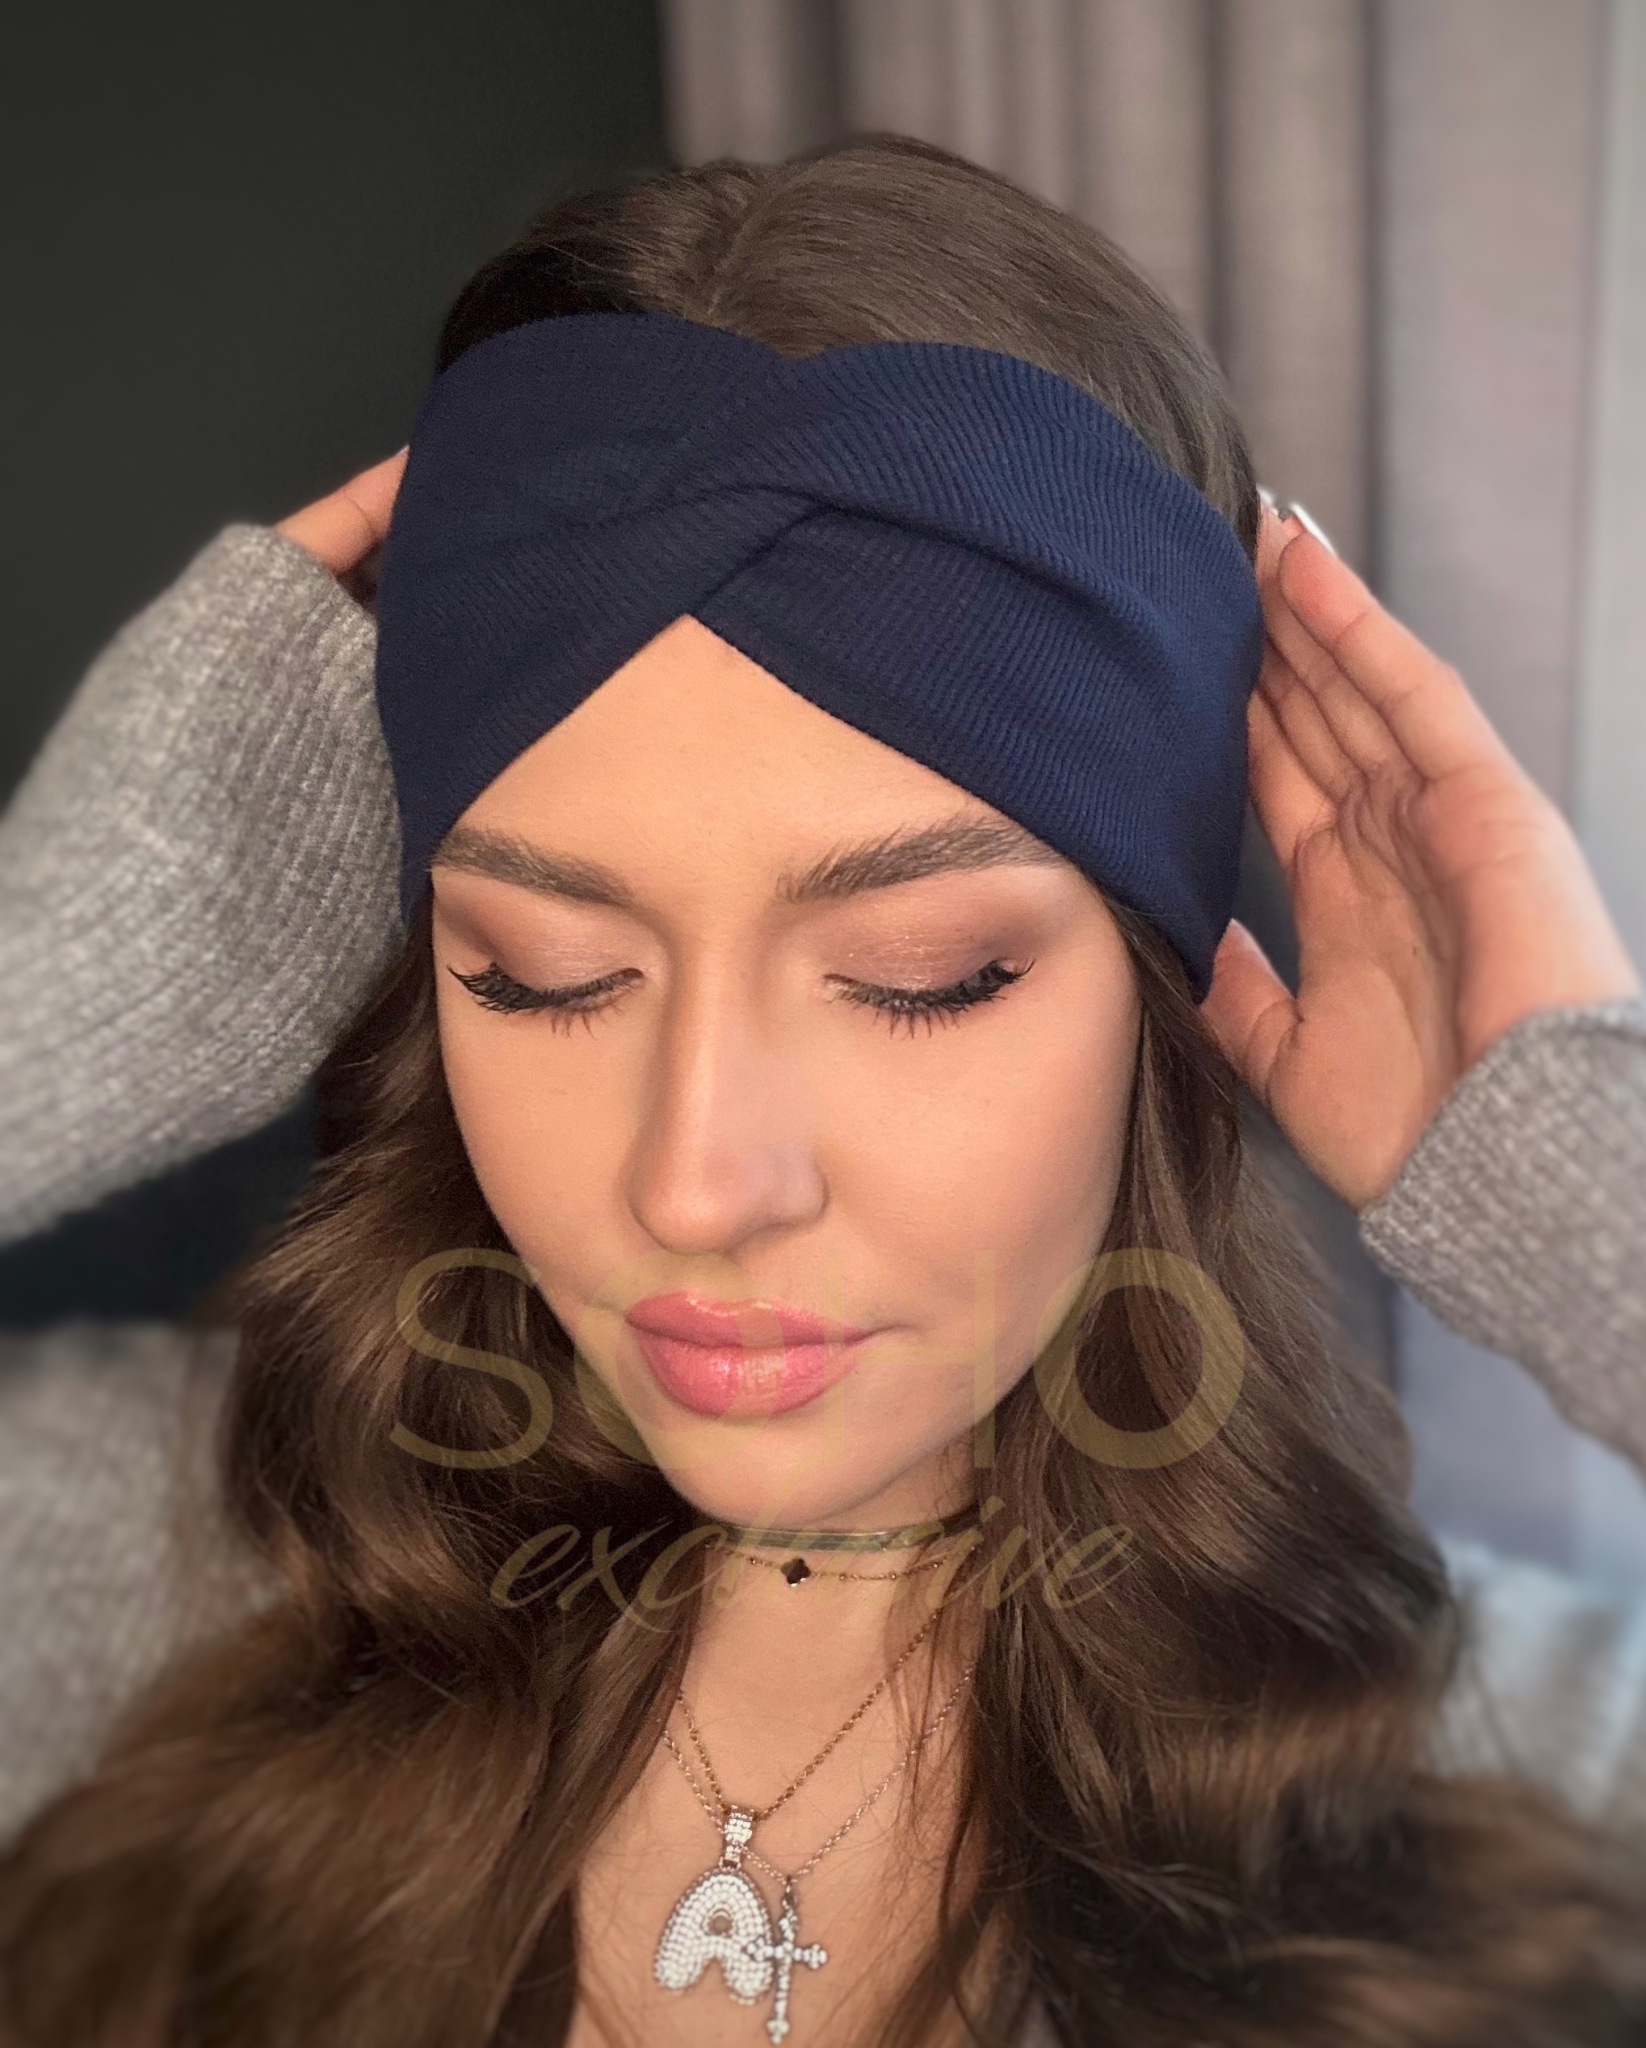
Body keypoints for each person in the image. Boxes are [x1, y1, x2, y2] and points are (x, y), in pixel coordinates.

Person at [2, 136, 1645, 2047]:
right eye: (540, 973)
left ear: (1157, 985)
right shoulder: (143, 1559)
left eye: (920, 978)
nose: (698, 1184)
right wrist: (73, 973)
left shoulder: (1531, 1756)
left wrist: (1573, 1180)